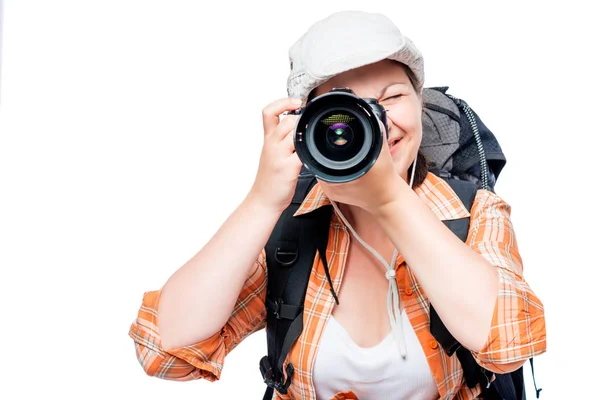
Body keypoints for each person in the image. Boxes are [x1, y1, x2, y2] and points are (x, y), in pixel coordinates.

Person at [128, 10, 546, 400]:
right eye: (346, 106)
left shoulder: (474, 213)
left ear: (421, 102)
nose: (377, 122)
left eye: (392, 97)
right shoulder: (288, 227)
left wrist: (389, 199)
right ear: (307, 124)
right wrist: (260, 201)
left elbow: (511, 343)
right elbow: (166, 351)